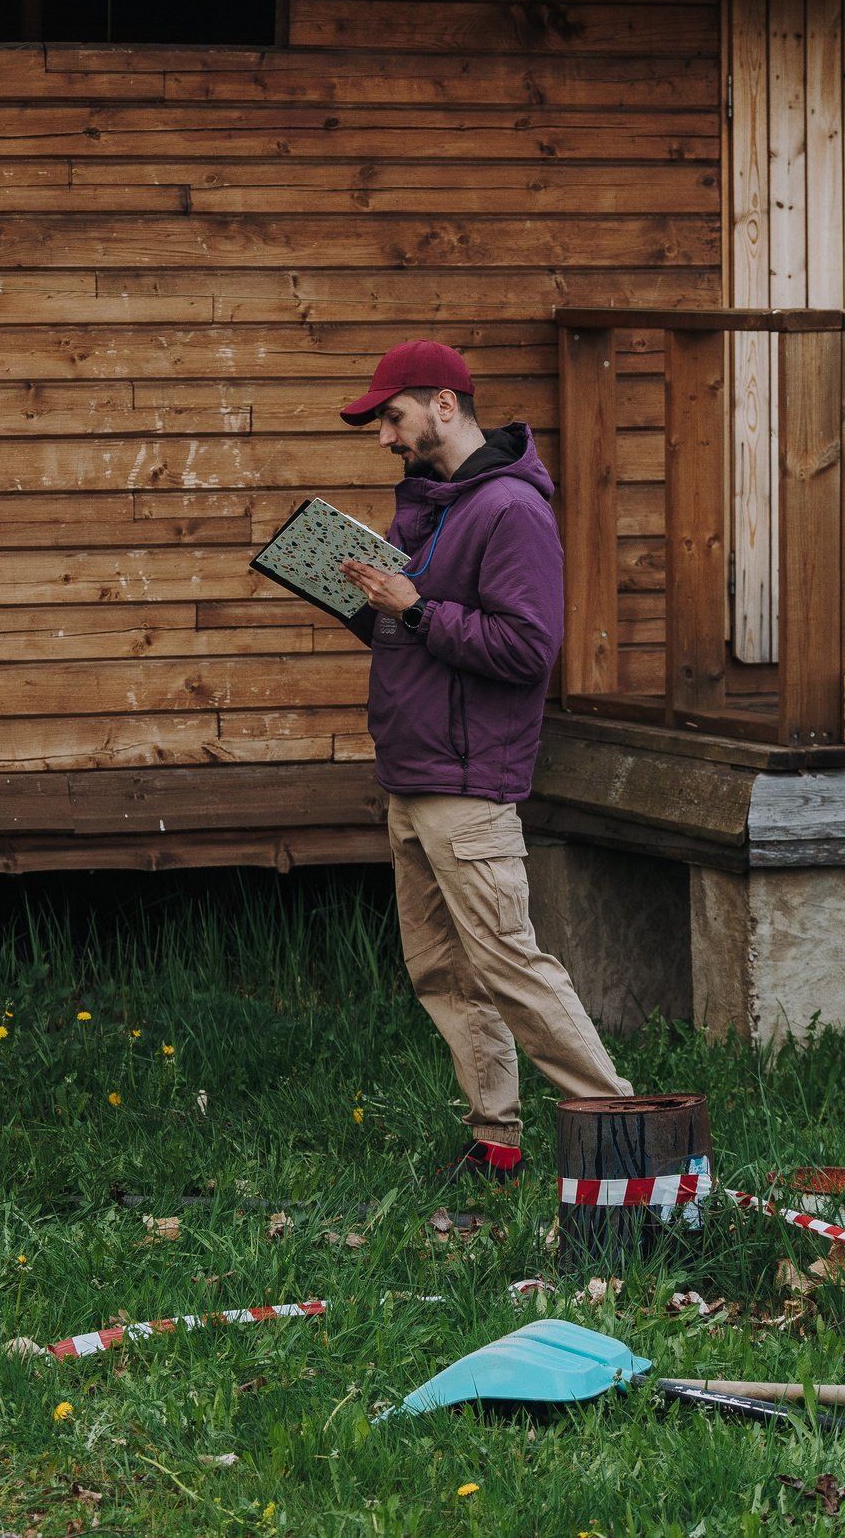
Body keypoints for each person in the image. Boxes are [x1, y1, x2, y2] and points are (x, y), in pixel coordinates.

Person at [336, 340, 634, 1186]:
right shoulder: (432, 503)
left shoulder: (511, 509)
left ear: (444, 404)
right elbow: (418, 629)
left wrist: (415, 608)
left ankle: (631, 1137)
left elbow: (528, 648)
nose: (384, 438)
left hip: (467, 784)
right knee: (444, 972)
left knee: (509, 966)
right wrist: (372, 604)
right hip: (412, 775)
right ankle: (496, 1141)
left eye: (392, 418)